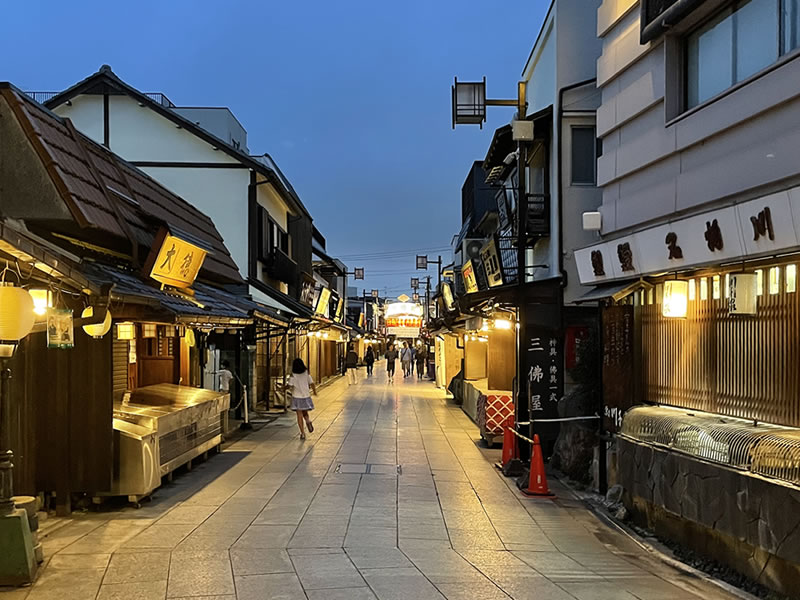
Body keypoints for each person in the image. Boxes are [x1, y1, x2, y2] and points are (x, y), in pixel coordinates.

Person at [288, 358, 316, 440]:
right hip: (306, 396)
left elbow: (290, 385)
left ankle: (302, 433)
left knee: (299, 415)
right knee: (305, 412)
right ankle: (308, 421)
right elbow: (312, 383)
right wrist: (314, 391)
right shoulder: (306, 373)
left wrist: (284, 387)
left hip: (297, 396)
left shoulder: (293, 375)